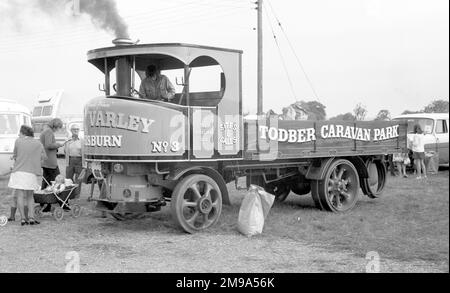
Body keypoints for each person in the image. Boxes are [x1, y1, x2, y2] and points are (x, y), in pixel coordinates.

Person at [7, 125, 46, 225]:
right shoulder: (38, 143)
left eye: (20, 133)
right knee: (30, 196)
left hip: (19, 171)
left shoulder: (18, 141)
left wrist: (15, 158)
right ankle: (31, 217)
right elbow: (44, 157)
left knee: (20, 195)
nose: (18, 134)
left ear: (23, 133)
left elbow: (15, 154)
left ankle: (23, 219)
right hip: (31, 172)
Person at [40, 118, 66, 212]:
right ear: (55, 126)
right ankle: (63, 203)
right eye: (59, 127)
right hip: (50, 161)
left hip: (46, 160)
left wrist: (56, 147)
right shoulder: (49, 132)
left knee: (46, 182)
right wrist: (59, 144)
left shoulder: (45, 130)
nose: (59, 129)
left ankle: (44, 203)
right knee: (58, 181)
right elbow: (48, 145)